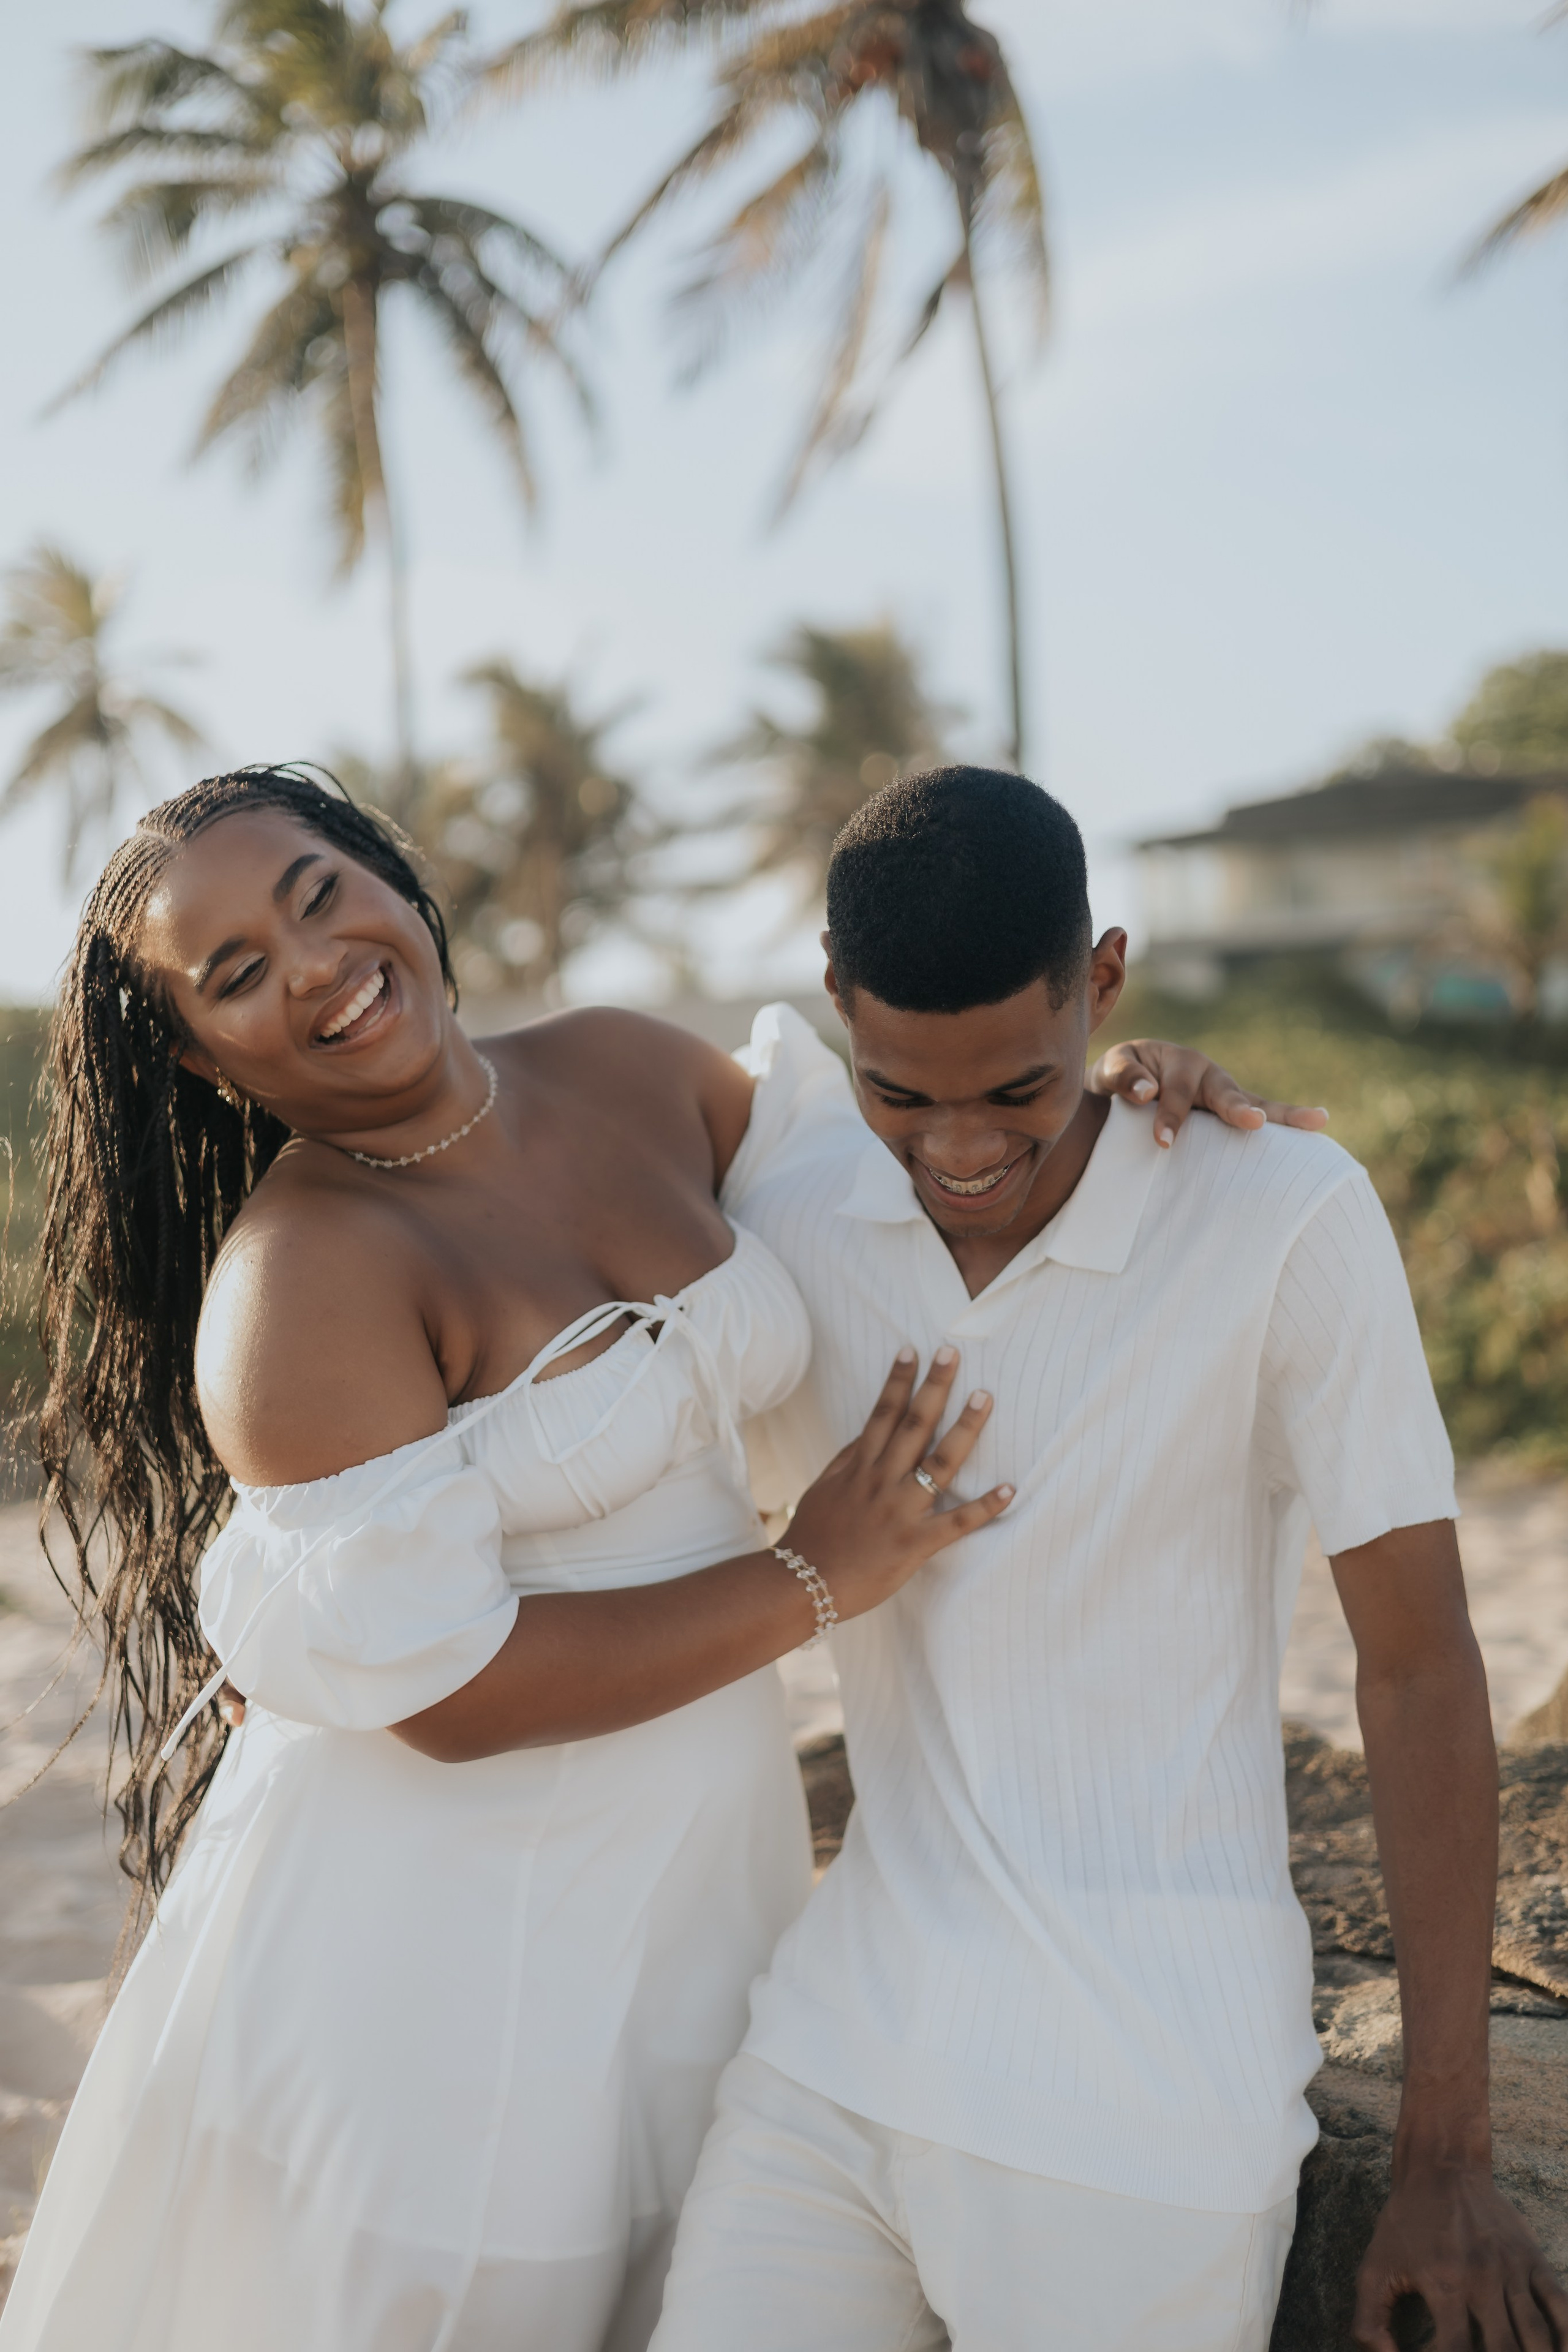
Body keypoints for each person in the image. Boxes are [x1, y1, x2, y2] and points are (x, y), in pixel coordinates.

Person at [1, 765, 1269, 2352]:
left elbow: (902, 1155)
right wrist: (815, 1577)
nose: (315, 964)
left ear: (394, 878)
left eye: (321, 895)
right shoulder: (301, 1281)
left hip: (696, 1867)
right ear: (198, 1051)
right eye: (240, 971)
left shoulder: (619, 1063)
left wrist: (1096, 1088)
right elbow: (446, 1693)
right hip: (441, 1933)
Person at [650, 766, 1568, 2352]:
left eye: (1015, 1088)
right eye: (898, 1091)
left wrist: (1447, 2160)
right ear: (833, 1005)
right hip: (833, 2056)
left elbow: (1419, 1665)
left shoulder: (1280, 1209)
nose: (954, 1147)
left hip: (1142, 2103)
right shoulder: (783, 1213)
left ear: (1107, 982)